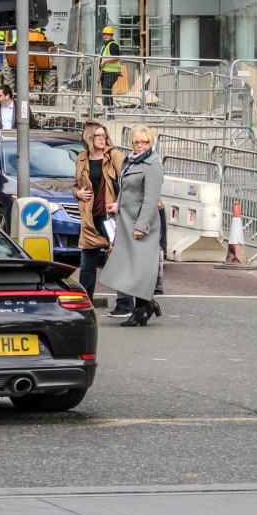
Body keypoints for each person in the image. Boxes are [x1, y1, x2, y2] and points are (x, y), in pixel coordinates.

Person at [102, 124, 166, 326]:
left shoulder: (153, 164)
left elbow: (150, 199)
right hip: (127, 219)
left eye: (144, 142)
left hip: (141, 222)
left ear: (151, 142)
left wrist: (141, 226)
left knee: (139, 268)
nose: (140, 146)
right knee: (130, 265)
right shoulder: (131, 161)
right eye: (136, 142)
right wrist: (118, 204)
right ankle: (146, 305)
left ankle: (142, 308)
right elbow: (126, 188)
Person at [73, 120, 124, 304]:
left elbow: (128, 185)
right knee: (87, 265)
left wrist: (120, 203)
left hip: (109, 216)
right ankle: (85, 302)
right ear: (89, 137)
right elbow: (76, 185)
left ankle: (124, 304)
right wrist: (78, 192)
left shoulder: (115, 156)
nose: (102, 139)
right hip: (89, 217)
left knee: (117, 261)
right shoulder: (81, 158)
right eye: (98, 136)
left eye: (104, 135)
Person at [99, 25, 122, 109]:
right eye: (104, 34)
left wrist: (106, 60)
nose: (105, 36)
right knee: (105, 91)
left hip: (112, 72)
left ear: (112, 36)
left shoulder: (113, 45)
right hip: (105, 72)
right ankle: (106, 111)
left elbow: (117, 57)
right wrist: (100, 74)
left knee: (107, 90)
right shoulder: (104, 46)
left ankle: (109, 112)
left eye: (108, 34)